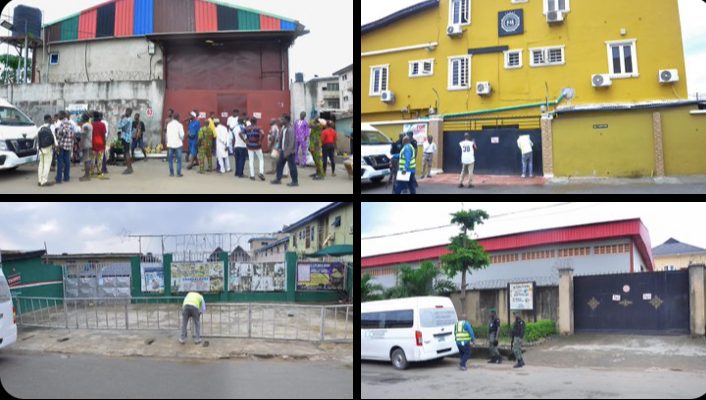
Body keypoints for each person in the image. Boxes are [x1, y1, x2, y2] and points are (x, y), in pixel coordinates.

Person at [271, 114, 298, 186]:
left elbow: (291, 142)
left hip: (289, 152)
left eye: (282, 119)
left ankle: (295, 181)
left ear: (286, 120)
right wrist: (279, 148)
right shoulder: (284, 128)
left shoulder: (290, 129)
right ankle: (278, 179)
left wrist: (287, 152)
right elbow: (281, 139)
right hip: (283, 151)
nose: (280, 121)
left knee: (292, 167)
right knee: (279, 165)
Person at [36, 114, 55, 187]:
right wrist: (56, 146)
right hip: (48, 148)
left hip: (40, 148)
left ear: (44, 120)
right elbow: (54, 138)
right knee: (47, 165)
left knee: (41, 164)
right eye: (51, 119)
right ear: (49, 119)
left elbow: (35, 136)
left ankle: (39, 180)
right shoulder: (52, 127)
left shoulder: (40, 127)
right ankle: (44, 181)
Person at [55, 111, 74, 184]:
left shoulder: (62, 124)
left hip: (61, 145)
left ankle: (59, 178)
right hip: (68, 145)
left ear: (62, 116)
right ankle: (66, 177)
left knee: (60, 161)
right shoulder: (71, 124)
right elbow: (72, 134)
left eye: (59, 115)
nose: (58, 116)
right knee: (67, 161)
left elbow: (61, 134)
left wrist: (57, 136)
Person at [166, 113, 185, 177]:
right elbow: (182, 136)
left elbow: (167, 134)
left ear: (173, 118)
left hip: (170, 144)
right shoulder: (179, 125)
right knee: (179, 160)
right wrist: (181, 139)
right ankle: (178, 173)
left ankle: (171, 173)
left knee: (170, 160)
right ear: (178, 118)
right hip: (178, 144)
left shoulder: (169, 125)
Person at [91, 112, 108, 180]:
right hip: (100, 143)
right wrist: (104, 143)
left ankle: (91, 171)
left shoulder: (91, 124)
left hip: (93, 144)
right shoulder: (102, 124)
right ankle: (99, 172)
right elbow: (104, 135)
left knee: (92, 158)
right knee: (100, 159)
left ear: (94, 117)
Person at [118, 108, 134, 174]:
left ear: (129, 112)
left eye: (127, 111)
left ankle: (129, 168)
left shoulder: (127, 120)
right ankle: (129, 167)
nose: (125, 113)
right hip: (127, 137)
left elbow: (119, 126)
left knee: (127, 152)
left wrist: (121, 118)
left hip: (126, 138)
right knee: (126, 152)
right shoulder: (129, 119)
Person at [232, 112, 248, 178]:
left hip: (236, 145)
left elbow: (233, 137)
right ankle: (240, 174)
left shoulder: (235, 128)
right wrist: (245, 141)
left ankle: (236, 172)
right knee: (242, 160)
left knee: (237, 160)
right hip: (242, 146)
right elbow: (241, 134)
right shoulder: (243, 127)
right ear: (243, 121)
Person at [79, 113, 93, 182]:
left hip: (86, 144)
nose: (81, 119)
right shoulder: (89, 125)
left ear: (83, 118)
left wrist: (81, 145)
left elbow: (83, 136)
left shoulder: (85, 126)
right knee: (86, 160)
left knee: (86, 160)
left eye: (81, 118)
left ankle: (87, 176)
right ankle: (86, 175)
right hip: (89, 144)